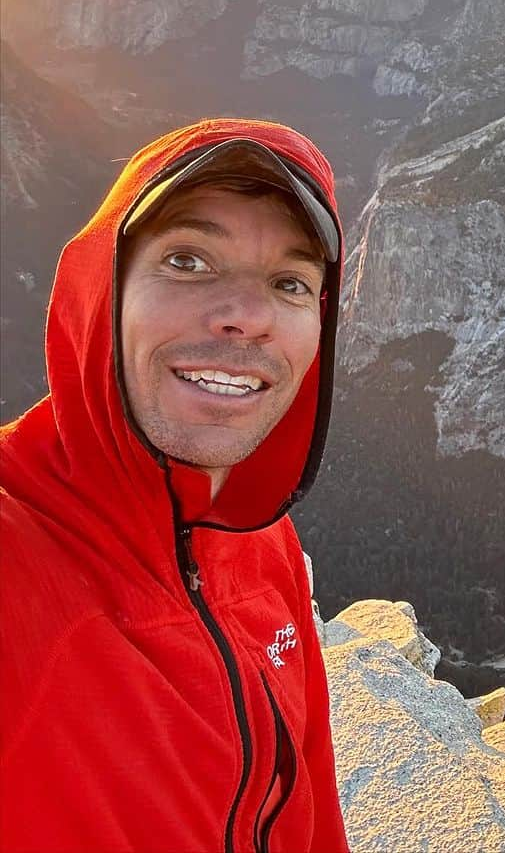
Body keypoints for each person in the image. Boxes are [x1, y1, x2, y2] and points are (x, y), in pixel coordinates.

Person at [0, 118, 350, 852]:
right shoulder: (18, 555)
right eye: (188, 261)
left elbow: (310, 804)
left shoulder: (264, 540)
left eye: (289, 283)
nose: (246, 316)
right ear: (103, 290)